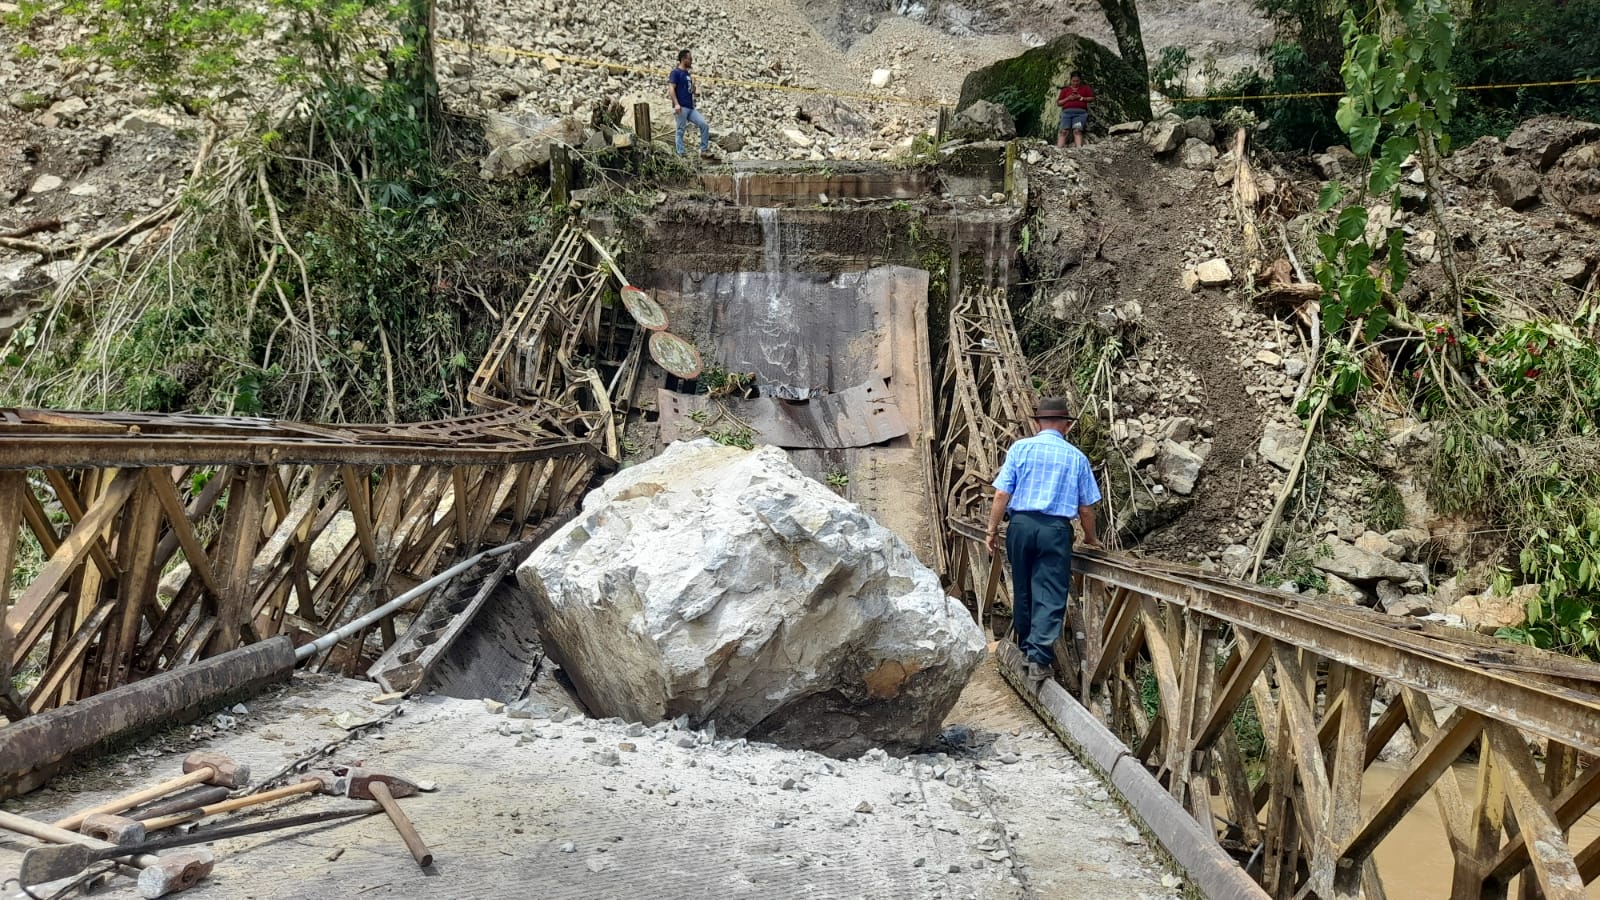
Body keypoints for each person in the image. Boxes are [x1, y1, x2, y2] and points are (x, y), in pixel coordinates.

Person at [985, 397, 1102, 683]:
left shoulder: (1020, 448)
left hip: (1020, 526)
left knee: (1023, 587)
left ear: (1037, 423)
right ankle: (1037, 659)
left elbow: (1001, 495)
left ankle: (1026, 649)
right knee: (1049, 591)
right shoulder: (1076, 457)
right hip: (1055, 530)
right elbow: (1086, 508)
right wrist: (1091, 537)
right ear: (1067, 425)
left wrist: (991, 530)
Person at [668, 49, 713, 158]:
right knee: (680, 130)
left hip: (690, 107)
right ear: (683, 59)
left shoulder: (687, 74)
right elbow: (671, 88)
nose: (692, 61)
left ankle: (704, 150)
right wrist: (676, 104)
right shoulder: (675, 73)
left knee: (704, 125)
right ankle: (681, 153)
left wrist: (693, 88)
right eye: (690, 59)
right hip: (681, 106)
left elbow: (690, 90)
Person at [1055, 72, 1093, 148]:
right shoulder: (1065, 90)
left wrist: (1081, 98)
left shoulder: (1085, 88)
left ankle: (1079, 148)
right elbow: (1059, 103)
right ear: (1070, 80)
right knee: (1064, 131)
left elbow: (1091, 98)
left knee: (1077, 130)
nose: (1075, 83)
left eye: (1077, 81)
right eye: (1073, 81)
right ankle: (1058, 148)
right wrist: (1068, 98)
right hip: (1066, 113)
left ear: (1080, 80)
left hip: (1080, 114)